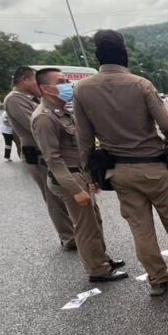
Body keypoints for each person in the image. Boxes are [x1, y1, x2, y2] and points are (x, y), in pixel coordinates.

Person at [75, 30, 168, 296]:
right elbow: (167, 126)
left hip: (119, 171)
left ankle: (158, 280)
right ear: (123, 53)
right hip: (154, 166)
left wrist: (89, 174)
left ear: (97, 55)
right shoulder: (141, 84)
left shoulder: (82, 90)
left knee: (141, 229)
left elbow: (84, 139)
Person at [31, 68, 128, 284]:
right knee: (85, 227)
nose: (67, 84)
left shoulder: (62, 112)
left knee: (94, 221)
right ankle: (97, 270)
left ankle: (102, 259)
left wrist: (89, 179)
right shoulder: (44, 118)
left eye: (67, 80)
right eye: (61, 81)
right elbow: (53, 159)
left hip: (79, 175)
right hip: (69, 180)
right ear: (46, 88)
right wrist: (76, 189)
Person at [4, 66, 76, 251]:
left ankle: (73, 232)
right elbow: (34, 125)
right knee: (53, 197)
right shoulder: (15, 100)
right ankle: (68, 236)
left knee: (62, 194)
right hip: (37, 155)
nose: (39, 85)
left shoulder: (30, 98)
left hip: (45, 152)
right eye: (36, 81)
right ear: (24, 80)